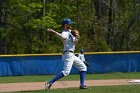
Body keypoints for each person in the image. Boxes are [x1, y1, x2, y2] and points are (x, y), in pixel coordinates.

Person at [46, 18, 88, 90]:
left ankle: (82, 85)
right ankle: (49, 83)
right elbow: (62, 37)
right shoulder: (65, 33)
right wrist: (53, 31)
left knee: (83, 67)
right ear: (65, 25)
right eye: (69, 24)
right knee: (66, 72)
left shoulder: (70, 32)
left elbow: (75, 42)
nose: (71, 24)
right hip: (68, 54)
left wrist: (77, 38)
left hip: (72, 54)